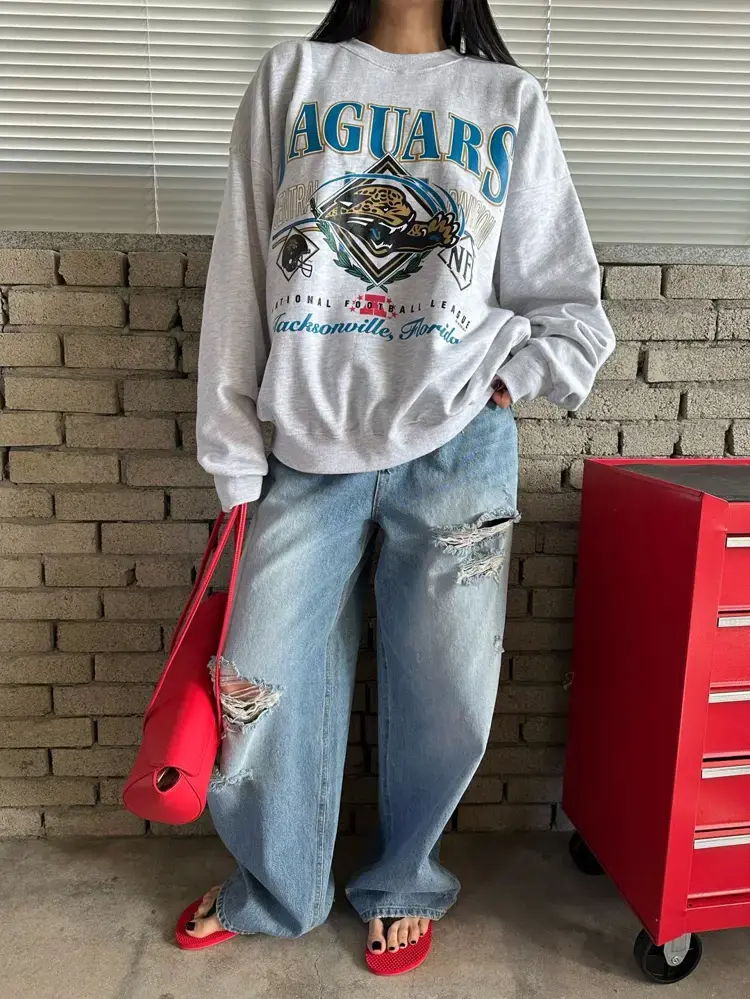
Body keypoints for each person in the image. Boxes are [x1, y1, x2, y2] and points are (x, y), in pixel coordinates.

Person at [183, 0, 615, 974]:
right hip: (303, 447)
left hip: (458, 446)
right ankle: (278, 885)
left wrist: (512, 380)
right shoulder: (292, 79)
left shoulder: (508, 98)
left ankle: (405, 879)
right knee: (257, 680)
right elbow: (239, 276)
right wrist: (232, 453)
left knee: (449, 692)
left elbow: (568, 298)